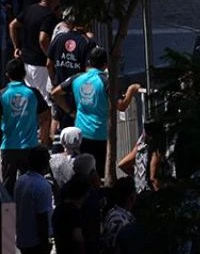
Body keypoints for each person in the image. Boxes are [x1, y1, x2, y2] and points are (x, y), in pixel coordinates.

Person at [50, 46, 142, 177]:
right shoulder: (105, 81)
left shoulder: (77, 78)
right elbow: (121, 106)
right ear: (105, 64)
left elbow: (55, 93)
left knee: (83, 171)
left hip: (81, 133)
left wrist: (70, 111)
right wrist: (131, 90)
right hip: (101, 134)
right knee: (99, 173)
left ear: (89, 62)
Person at [15, 145, 53, 254]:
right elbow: (42, 218)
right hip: (36, 240)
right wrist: (45, 244)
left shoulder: (21, 181)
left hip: (23, 236)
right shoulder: (42, 186)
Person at [2, 58, 51, 192]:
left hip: (8, 147)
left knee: (7, 188)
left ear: (7, 74)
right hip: (30, 147)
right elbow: (46, 118)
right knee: (30, 187)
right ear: (24, 74)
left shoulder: (2, 94)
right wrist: (44, 141)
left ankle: (8, 213)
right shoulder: (33, 93)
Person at [46, 7, 95, 133]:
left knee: (56, 119)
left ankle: (56, 149)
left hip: (60, 90)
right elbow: (89, 71)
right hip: (78, 93)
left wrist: (55, 82)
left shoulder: (58, 38)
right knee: (78, 129)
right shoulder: (87, 42)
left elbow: (48, 64)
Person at [9, 0, 59, 105]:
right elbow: (42, 39)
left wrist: (16, 47)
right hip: (41, 65)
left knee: (31, 100)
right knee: (46, 101)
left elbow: (12, 25)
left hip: (26, 62)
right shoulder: (49, 15)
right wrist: (49, 55)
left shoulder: (30, 9)